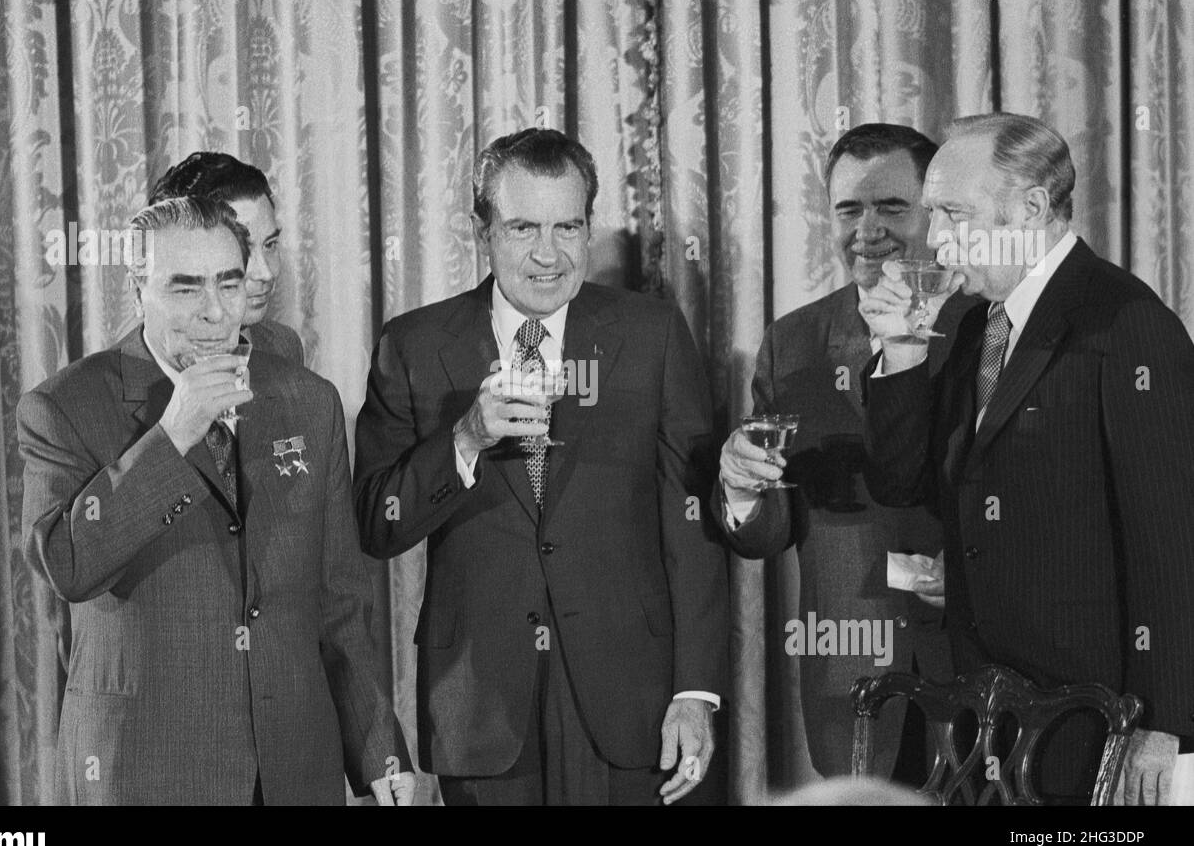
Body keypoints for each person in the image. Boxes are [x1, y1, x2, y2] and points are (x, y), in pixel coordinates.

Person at [352, 128, 728, 805]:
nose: (548, 254)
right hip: (482, 707)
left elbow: (691, 524)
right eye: (524, 227)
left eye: (568, 227)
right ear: (482, 229)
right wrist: (463, 440)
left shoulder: (653, 335)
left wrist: (695, 690)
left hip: (630, 702)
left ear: (589, 229)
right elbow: (378, 522)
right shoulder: (412, 345)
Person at [18, 196, 413, 805]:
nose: (212, 313)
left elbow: (338, 602)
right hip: (147, 772)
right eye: (184, 288)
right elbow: (69, 567)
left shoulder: (308, 401)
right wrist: (172, 435)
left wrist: (379, 751)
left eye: (228, 284)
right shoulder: (65, 407)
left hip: (292, 771)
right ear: (137, 287)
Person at [861, 112, 1194, 804]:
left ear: (1033, 206)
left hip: (1096, 722)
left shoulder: (1124, 321)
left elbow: (1173, 542)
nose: (938, 239)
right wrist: (900, 354)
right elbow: (904, 484)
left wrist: (1163, 725)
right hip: (985, 719)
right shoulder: (971, 325)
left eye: (955, 213)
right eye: (933, 214)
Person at [714, 123, 976, 780]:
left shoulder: (991, 324)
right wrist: (743, 487)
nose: (868, 228)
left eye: (892, 207)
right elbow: (770, 534)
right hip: (850, 672)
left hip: (982, 661)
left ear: (936, 212)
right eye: (849, 208)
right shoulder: (793, 341)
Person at [150, 151, 303, 363]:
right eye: (243, 249)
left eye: (270, 245)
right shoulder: (106, 383)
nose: (266, 274)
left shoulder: (283, 345)